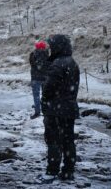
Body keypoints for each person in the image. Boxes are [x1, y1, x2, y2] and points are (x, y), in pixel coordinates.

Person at [41, 34, 80, 182]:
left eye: (51, 46)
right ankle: (68, 170)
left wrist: (45, 100)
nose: (49, 49)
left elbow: (49, 87)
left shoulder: (58, 63)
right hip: (69, 108)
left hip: (56, 109)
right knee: (68, 140)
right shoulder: (72, 62)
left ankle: (52, 170)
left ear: (57, 47)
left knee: (53, 140)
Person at [29, 40, 49, 119]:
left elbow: (31, 63)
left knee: (36, 95)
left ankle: (37, 112)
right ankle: (45, 111)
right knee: (45, 95)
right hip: (45, 78)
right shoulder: (47, 54)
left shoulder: (33, 54)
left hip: (35, 77)